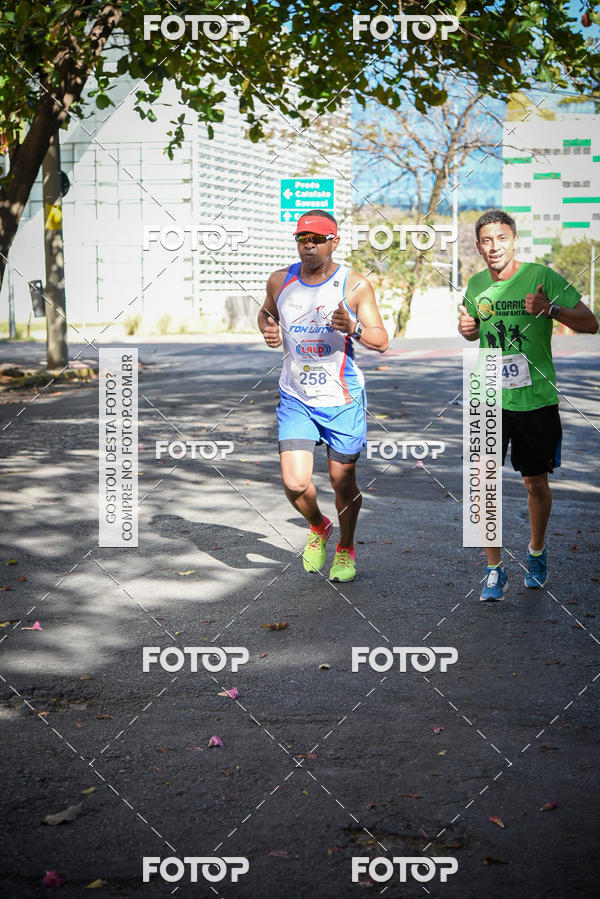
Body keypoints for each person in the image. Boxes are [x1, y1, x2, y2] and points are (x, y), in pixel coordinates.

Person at [459, 209, 598, 601]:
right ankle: (494, 570)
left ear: (514, 240)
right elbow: (473, 331)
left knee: (535, 483)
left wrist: (551, 309)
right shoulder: (475, 285)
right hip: (486, 392)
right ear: (478, 246)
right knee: (481, 483)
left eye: (501, 238)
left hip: (535, 398)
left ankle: (536, 552)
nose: (494, 247)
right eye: (486, 241)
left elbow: (591, 323)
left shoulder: (542, 277)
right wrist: (466, 330)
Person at [258, 210, 388, 582]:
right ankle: (318, 525)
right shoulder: (280, 279)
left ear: (334, 242)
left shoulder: (354, 284)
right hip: (296, 397)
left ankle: (345, 547)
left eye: (317, 239)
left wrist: (354, 327)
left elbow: (381, 341)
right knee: (295, 483)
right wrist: (268, 328)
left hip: (341, 398)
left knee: (341, 481)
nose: (309, 245)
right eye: (303, 238)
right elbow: (266, 313)